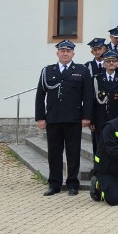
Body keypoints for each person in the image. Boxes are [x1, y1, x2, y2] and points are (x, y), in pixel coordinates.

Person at [35, 40, 93, 196]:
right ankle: (54, 183)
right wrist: (40, 118)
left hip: (73, 118)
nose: (65, 53)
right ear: (57, 53)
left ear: (73, 53)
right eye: (62, 51)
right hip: (53, 118)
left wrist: (86, 116)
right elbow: (40, 96)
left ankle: (73, 183)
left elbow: (88, 96)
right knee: (54, 153)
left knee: (73, 152)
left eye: (68, 51)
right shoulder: (47, 71)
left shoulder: (81, 70)